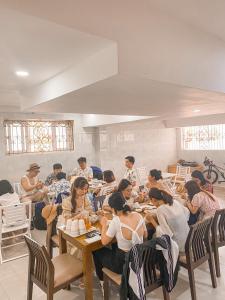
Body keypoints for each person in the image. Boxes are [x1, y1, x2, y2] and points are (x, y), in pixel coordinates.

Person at [93, 192, 147, 284]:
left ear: (113, 209)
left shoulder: (116, 220)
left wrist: (104, 225)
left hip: (122, 265)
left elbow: (104, 242)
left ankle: (102, 282)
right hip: (139, 258)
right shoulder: (138, 215)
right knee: (115, 244)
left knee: (96, 250)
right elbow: (145, 235)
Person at [145, 188, 190, 253]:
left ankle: (162, 261)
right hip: (188, 238)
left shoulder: (160, 210)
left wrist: (152, 220)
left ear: (153, 199)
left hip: (178, 245)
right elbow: (186, 213)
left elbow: (165, 233)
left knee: (152, 238)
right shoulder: (174, 202)